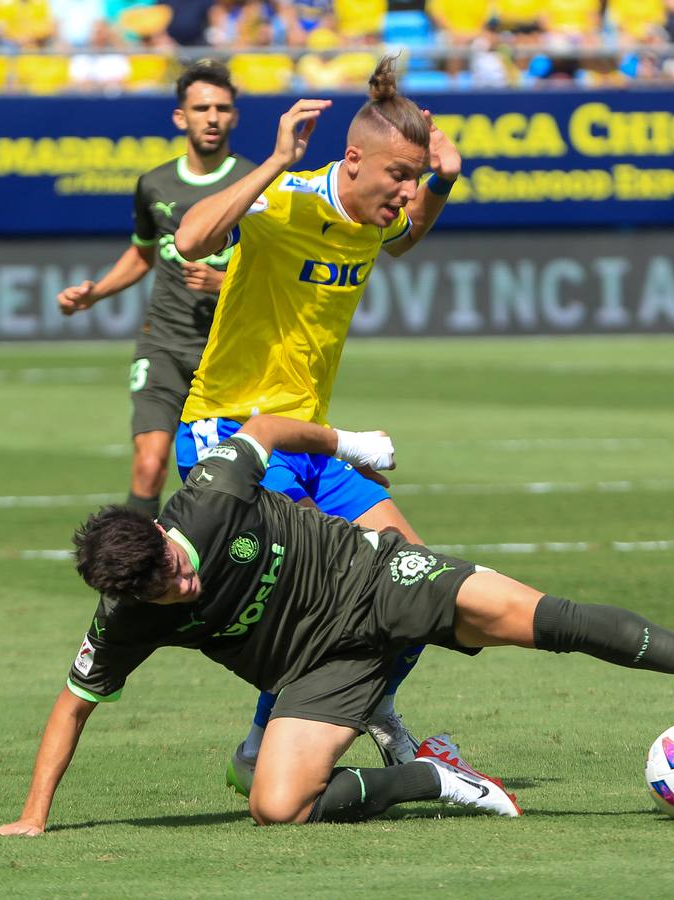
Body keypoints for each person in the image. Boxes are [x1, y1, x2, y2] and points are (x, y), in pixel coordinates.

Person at [0, 415, 674, 835]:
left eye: (175, 557)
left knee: (542, 618)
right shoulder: (124, 618)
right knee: (277, 809)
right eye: (169, 585)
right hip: (318, 673)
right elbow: (71, 704)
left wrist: (350, 441)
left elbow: (264, 429)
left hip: (375, 578)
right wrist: (35, 814)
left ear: (164, 531)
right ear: (136, 596)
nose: (183, 573)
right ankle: (433, 779)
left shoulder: (207, 496)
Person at [172, 57, 463, 792]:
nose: (404, 192)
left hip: (310, 442)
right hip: (232, 432)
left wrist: (441, 184)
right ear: (352, 158)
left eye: (414, 176)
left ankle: (294, 728)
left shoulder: (377, 215)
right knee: (327, 591)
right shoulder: (285, 201)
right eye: (399, 175)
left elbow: (400, 238)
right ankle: (329, 735)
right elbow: (192, 240)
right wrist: (273, 160)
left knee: (417, 577)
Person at [56, 60, 256, 519]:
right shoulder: (154, 184)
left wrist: (224, 281)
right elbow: (143, 253)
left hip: (229, 352)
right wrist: (96, 292)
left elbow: (275, 272)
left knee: (227, 479)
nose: (212, 117)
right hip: (163, 343)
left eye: (222, 108)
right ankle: (134, 577)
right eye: (201, 107)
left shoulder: (255, 184)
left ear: (235, 117)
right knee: (149, 465)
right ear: (180, 117)